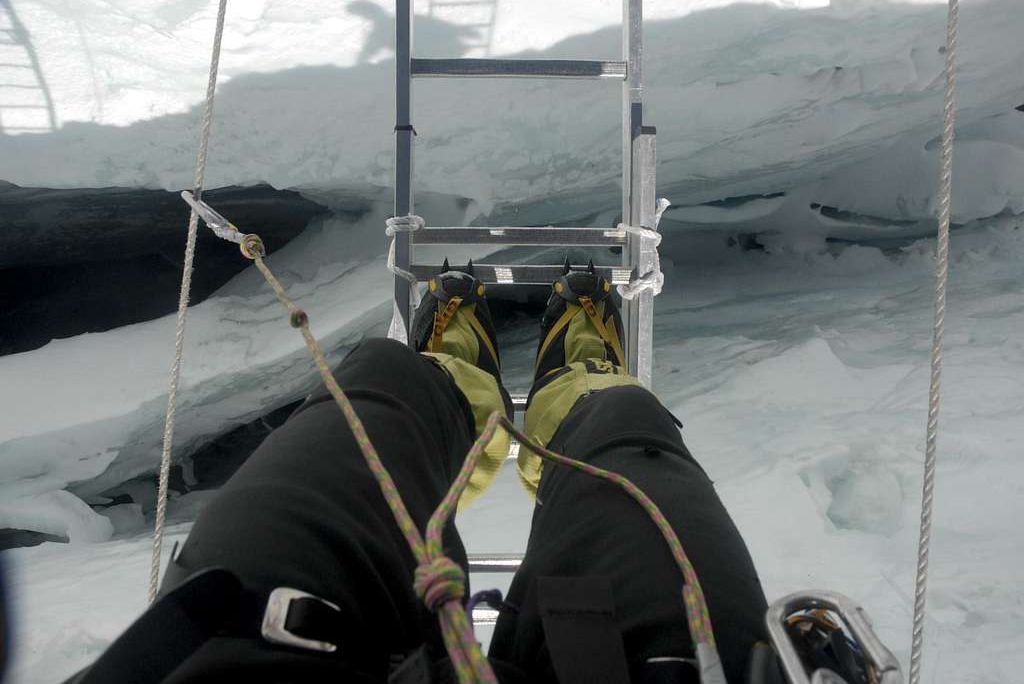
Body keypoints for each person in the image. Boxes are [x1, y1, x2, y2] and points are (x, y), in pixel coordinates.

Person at [66, 265, 773, 684]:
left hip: (247, 655)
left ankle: (454, 378)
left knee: (383, 380)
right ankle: (575, 375)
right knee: (624, 422)